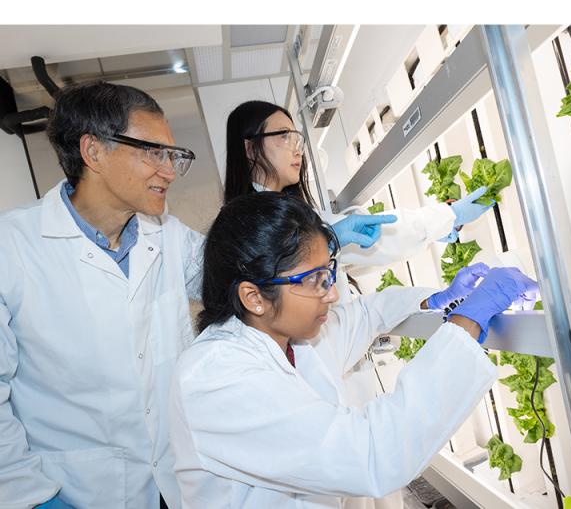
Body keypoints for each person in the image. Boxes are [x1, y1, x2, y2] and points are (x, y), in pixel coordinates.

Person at [169, 192, 538, 507]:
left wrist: (438, 301)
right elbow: (370, 454)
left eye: (327, 273)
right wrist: (468, 322)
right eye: (313, 280)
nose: (331, 292)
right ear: (254, 297)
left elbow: (364, 315)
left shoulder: (289, 337)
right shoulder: (215, 377)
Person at [0, 81, 203, 508]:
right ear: (94, 152)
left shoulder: (167, 235)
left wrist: (321, 240)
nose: (168, 171)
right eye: (153, 152)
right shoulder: (11, 247)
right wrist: (28, 495)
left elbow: (238, 270)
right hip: (76, 491)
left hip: (174, 482)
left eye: (172, 155)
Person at [222, 100, 493, 255]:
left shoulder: (284, 208)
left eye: (296, 137)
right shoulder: (262, 225)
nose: (297, 148)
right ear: (249, 148)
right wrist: (446, 218)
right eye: (284, 136)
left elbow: (361, 243)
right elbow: (370, 239)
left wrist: (438, 225)